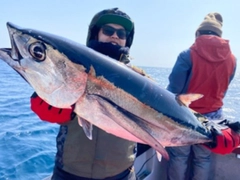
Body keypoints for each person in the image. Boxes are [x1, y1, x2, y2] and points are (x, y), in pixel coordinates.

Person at [30, 7, 141, 180]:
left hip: (120, 174)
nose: (115, 36)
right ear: (95, 33)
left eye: (121, 34)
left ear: (127, 40)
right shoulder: (71, 66)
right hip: (70, 172)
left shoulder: (139, 79)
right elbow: (45, 99)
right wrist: (46, 104)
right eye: (108, 30)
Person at [166, 12, 238, 180]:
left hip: (185, 117)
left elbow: (173, 91)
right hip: (213, 120)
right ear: (219, 34)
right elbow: (223, 88)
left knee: (179, 157)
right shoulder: (233, 60)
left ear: (198, 33)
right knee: (203, 158)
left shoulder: (187, 55)